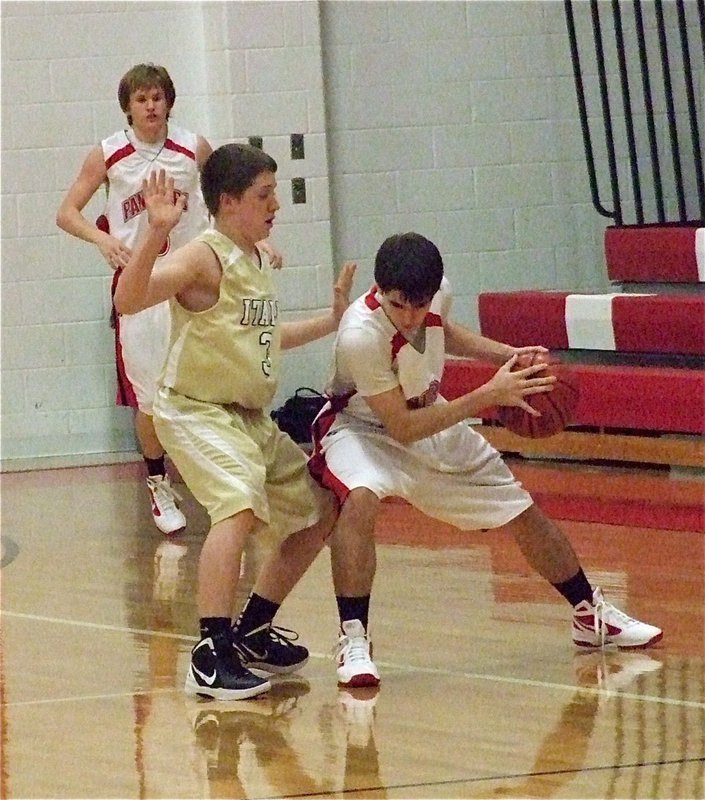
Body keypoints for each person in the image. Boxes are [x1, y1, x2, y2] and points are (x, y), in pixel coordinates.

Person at [310, 232, 663, 688]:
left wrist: (509, 354)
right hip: (361, 429)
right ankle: (353, 636)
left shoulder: (431, 303)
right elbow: (401, 428)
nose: (410, 317)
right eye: (399, 306)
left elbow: (442, 331)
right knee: (360, 497)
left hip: (428, 415)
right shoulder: (361, 333)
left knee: (519, 506)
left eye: (420, 306)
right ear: (379, 290)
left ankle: (588, 614)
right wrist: (488, 393)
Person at [113, 143, 356, 701]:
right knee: (238, 504)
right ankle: (209, 651)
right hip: (197, 409)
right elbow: (129, 299)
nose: (276, 205)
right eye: (264, 195)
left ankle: (251, 628)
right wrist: (155, 231)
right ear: (229, 202)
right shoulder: (204, 256)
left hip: (251, 419)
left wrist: (331, 322)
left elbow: (265, 337)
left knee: (322, 509)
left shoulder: (253, 258)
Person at [56, 63, 282, 536]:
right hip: (142, 286)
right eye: (142, 99)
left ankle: (229, 475)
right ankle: (158, 483)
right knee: (150, 396)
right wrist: (101, 241)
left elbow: (232, 194)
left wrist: (256, 240)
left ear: (169, 101)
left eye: (158, 97)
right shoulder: (109, 154)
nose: (151, 105)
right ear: (128, 107)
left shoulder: (193, 146)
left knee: (217, 379)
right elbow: (66, 213)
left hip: (195, 280)